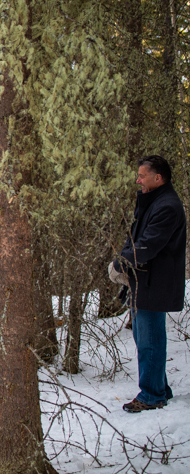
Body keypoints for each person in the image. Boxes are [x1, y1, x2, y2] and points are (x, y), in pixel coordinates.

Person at [109, 155, 186, 413]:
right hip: (143, 281)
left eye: (142, 176)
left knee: (150, 340)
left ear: (158, 178)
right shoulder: (152, 202)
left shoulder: (167, 206)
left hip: (156, 283)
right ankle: (160, 388)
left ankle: (152, 396)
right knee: (144, 338)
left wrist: (122, 263)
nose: (138, 180)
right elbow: (134, 237)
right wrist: (122, 260)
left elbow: (148, 244)